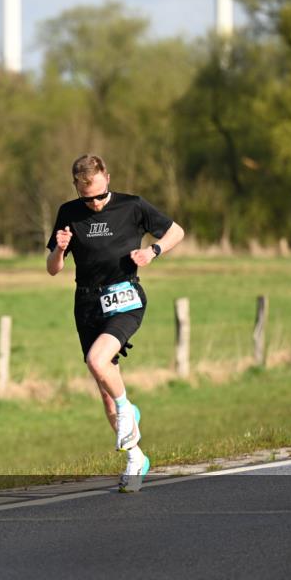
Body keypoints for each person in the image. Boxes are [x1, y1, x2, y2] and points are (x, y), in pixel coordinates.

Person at [46, 154, 185, 492]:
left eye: (98, 195)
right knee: (105, 391)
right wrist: (60, 250)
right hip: (87, 302)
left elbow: (176, 232)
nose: (93, 204)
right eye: (86, 197)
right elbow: (52, 268)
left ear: (107, 177)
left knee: (98, 361)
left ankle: (128, 409)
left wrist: (152, 252)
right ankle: (136, 457)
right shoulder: (68, 212)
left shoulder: (132, 206)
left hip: (125, 297)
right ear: (77, 189)